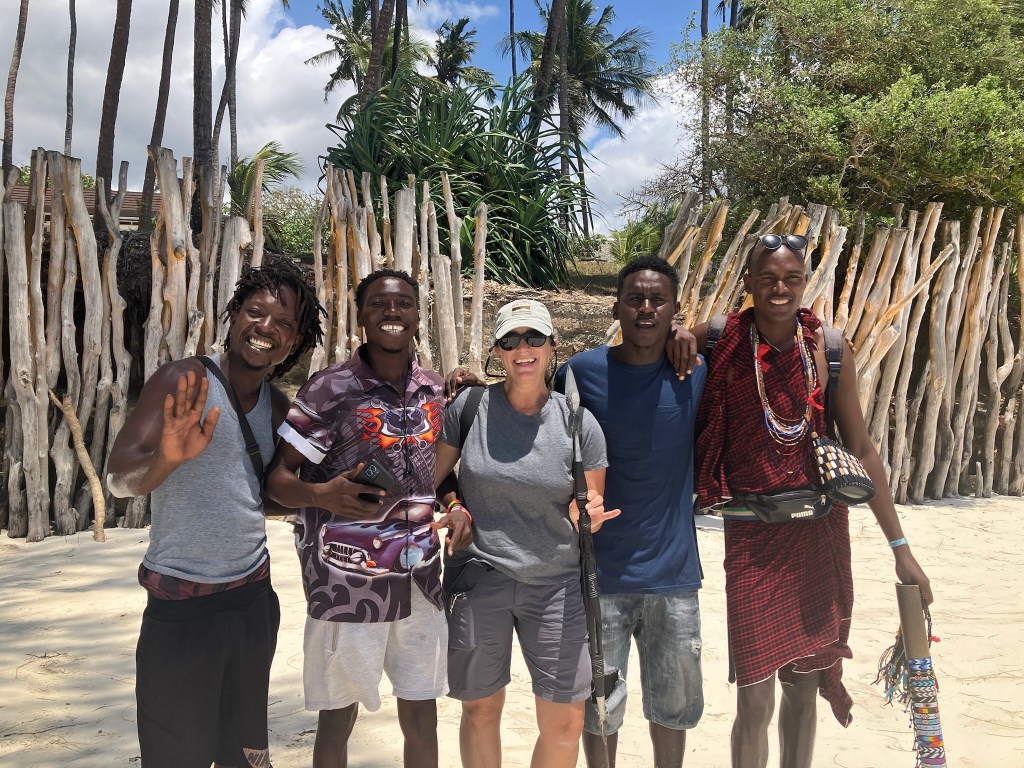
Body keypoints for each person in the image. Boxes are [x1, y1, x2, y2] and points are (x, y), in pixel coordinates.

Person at [690, 234, 933, 768]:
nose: (780, 288)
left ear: (805, 283)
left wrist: (901, 547)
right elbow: (638, 362)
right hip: (752, 537)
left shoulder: (827, 347)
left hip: (819, 535)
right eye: (768, 279)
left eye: (792, 279)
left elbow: (863, 448)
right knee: (754, 692)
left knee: (802, 686)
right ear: (748, 283)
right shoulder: (716, 340)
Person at [107, 261, 324, 768]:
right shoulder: (182, 381)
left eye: (283, 323)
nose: (265, 328)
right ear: (233, 315)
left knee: (244, 755)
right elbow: (118, 480)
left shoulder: (275, 407)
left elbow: (263, 497)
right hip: (179, 607)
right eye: (255, 312)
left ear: (293, 343)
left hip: (251, 603)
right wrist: (166, 458)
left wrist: (319, 496)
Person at [265, 268, 471, 768]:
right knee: (338, 716)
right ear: (361, 318)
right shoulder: (329, 390)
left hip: (421, 578)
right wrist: (323, 495)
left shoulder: (434, 390)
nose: (392, 313)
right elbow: (276, 480)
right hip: (346, 581)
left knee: (421, 712)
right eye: (379, 304)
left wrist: (456, 506)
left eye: (403, 304)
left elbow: (434, 476)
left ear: (419, 315)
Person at [436, 298, 619, 768]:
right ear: (497, 350)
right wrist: (455, 507)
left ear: (552, 346)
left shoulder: (579, 423)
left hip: (557, 584)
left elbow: (588, 507)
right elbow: (435, 479)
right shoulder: (470, 408)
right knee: (480, 711)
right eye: (511, 339)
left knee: (564, 724)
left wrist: (591, 516)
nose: (524, 348)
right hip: (480, 575)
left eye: (534, 337)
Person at [553, 256, 707, 768]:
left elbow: (745, 323)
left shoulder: (695, 371)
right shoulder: (579, 373)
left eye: (658, 300)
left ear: (675, 308)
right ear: (616, 306)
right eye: (634, 299)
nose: (645, 309)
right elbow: (526, 413)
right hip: (599, 575)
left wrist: (692, 333)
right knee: (599, 710)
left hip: (674, 575)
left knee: (674, 710)